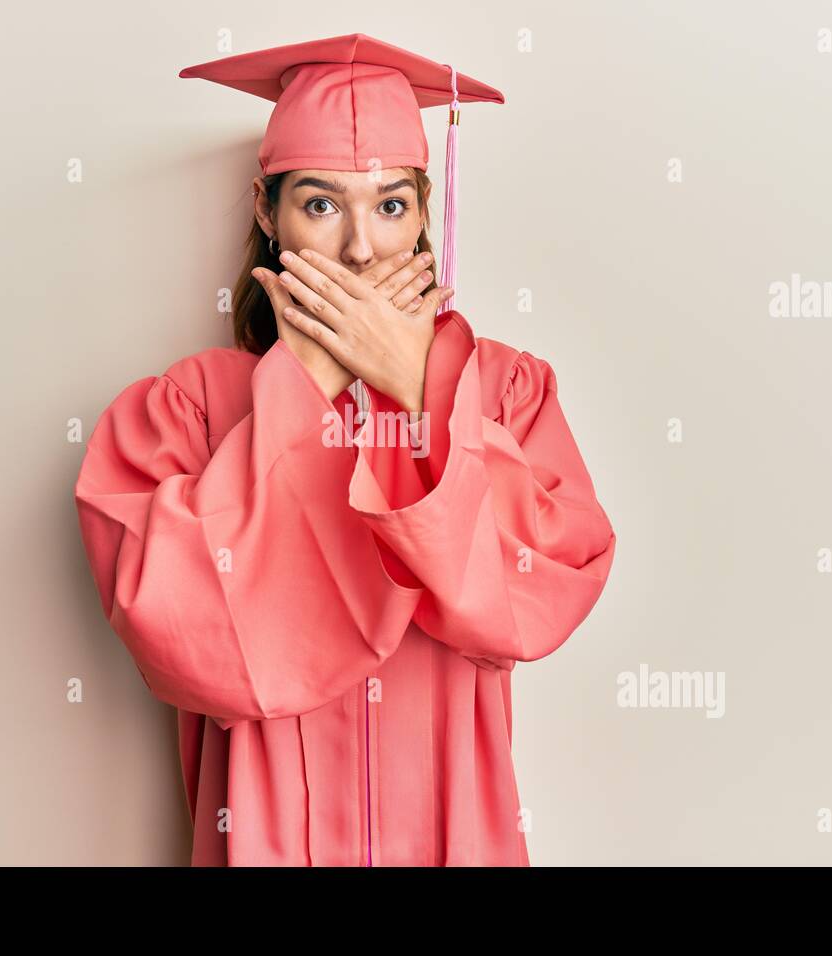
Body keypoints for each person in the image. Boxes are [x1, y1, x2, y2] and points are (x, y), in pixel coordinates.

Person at [73, 33, 617, 866]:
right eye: (322, 205)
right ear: (267, 210)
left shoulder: (504, 390)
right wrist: (302, 388)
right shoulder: (191, 408)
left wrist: (422, 392)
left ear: (427, 215)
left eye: (392, 205)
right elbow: (176, 633)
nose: (362, 248)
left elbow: (539, 596)